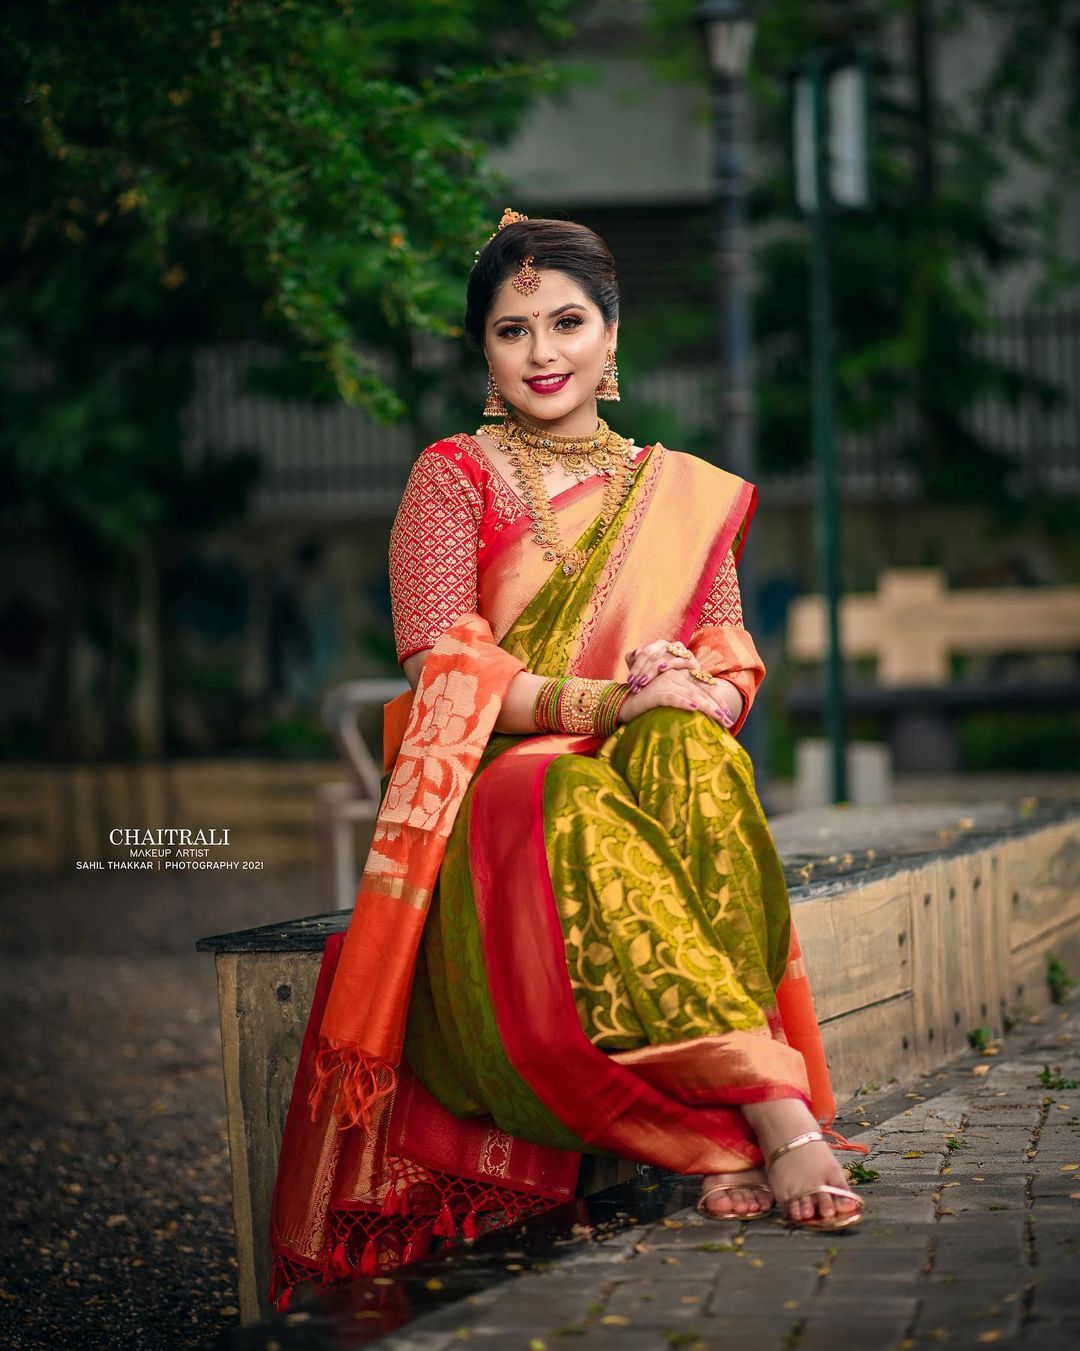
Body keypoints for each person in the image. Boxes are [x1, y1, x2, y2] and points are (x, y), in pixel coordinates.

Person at [268, 210, 864, 1308]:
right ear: (482, 353)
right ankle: (771, 1114)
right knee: (568, 781)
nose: (543, 353)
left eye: (567, 322)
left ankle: (716, 1130)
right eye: (512, 330)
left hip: (640, 751)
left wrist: (689, 688)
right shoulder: (452, 477)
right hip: (501, 790)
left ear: (612, 335)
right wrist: (603, 695)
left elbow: (728, 657)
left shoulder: (676, 491)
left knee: (697, 751)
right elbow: (447, 671)